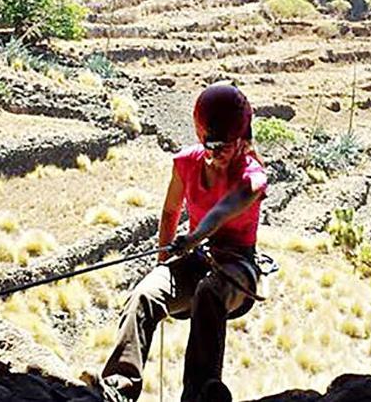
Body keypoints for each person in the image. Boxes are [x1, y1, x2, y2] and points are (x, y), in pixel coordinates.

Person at [98, 83, 267, 402]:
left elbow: (223, 210)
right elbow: (170, 210)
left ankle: (200, 392)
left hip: (237, 265)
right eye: (211, 143)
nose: (217, 153)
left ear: (242, 139)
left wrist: (191, 238)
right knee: (145, 294)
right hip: (196, 259)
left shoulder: (253, 177)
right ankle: (121, 382)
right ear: (201, 135)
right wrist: (163, 267)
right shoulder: (185, 164)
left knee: (210, 291)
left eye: (226, 145)